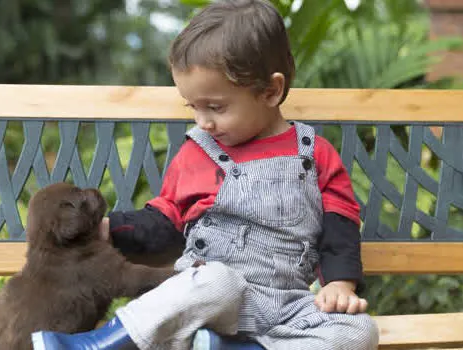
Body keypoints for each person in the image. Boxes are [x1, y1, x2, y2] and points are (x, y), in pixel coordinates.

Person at [31, 1, 379, 349]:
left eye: (215, 107)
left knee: (359, 330)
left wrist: (340, 284)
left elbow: (340, 226)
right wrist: (112, 229)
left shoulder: (314, 154)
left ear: (271, 91)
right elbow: (166, 221)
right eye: (193, 107)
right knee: (217, 280)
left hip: (287, 307)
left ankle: (226, 348)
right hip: (210, 301)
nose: (203, 122)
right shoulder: (198, 153)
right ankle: (99, 344)